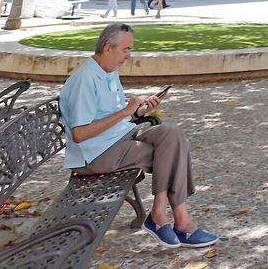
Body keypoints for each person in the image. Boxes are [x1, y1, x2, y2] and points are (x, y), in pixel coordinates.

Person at [60, 24, 217, 249]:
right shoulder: (85, 79)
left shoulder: (108, 71)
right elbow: (79, 134)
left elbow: (115, 117)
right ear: (107, 48)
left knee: (173, 135)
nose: (128, 56)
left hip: (119, 139)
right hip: (95, 154)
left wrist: (140, 111)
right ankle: (179, 222)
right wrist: (125, 111)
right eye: (125, 49)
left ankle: (161, 213)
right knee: (168, 152)